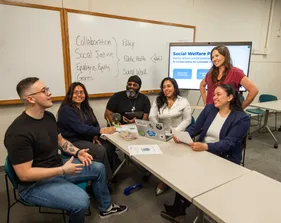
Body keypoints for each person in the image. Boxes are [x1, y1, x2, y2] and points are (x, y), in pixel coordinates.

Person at [4, 77, 127, 223]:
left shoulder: (48, 117)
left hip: (56, 167)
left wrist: (77, 152)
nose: (49, 93)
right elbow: (25, 175)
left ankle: (106, 208)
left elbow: (61, 141)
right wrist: (62, 170)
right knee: (81, 201)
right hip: (34, 184)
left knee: (98, 168)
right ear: (31, 99)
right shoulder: (18, 132)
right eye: (44, 91)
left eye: (47, 89)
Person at [160, 84, 250, 222]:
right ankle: (180, 208)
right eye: (213, 94)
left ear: (230, 97)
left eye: (218, 94)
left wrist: (206, 146)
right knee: (182, 170)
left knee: (192, 173)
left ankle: (183, 208)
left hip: (224, 158)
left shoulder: (242, 118)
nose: (214, 97)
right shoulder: (210, 109)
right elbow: (195, 128)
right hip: (203, 150)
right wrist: (182, 136)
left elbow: (229, 143)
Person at [57, 82, 118, 178]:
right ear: (70, 95)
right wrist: (101, 131)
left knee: (109, 145)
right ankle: (107, 179)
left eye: (82, 92)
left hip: (87, 138)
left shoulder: (86, 108)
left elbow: (95, 124)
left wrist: (95, 136)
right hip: (73, 141)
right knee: (100, 150)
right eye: (75, 92)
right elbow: (80, 128)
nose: (79, 95)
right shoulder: (66, 110)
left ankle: (113, 173)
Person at [149, 77, 192, 196]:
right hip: (162, 135)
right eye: (164, 87)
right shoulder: (158, 100)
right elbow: (152, 117)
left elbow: (187, 119)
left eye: (169, 86)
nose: (166, 89)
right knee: (162, 159)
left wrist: (175, 132)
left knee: (179, 160)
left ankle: (179, 181)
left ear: (174, 87)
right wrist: (159, 129)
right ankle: (163, 181)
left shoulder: (183, 101)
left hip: (179, 135)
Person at [200, 45, 258, 109]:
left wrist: (241, 108)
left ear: (225, 56)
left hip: (228, 112)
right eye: (212, 57)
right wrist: (206, 102)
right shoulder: (210, 73)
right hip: (210, 110)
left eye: (217, 56)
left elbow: (254, 90)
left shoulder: (236, 72)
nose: (214, 59)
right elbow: (202, 85)